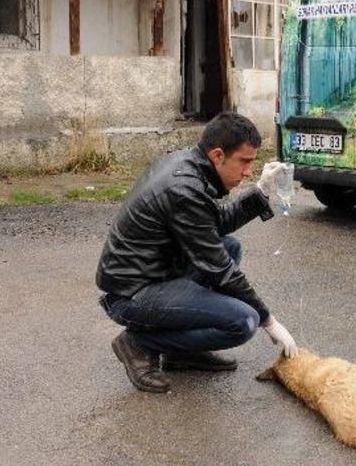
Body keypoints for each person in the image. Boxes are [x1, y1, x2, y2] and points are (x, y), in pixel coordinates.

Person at [96, 112, 298, 393]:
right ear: (217, 155)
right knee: (243, 321)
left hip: (155, 272)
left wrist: (260, 192)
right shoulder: (184, 189)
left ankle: (181, 352)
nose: (248, 171)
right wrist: (269, 321)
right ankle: (137, 344)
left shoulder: (190, 165)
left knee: (230, 246)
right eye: (245, 162)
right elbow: (219, 269)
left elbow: (217, 224)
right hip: (132, 294)